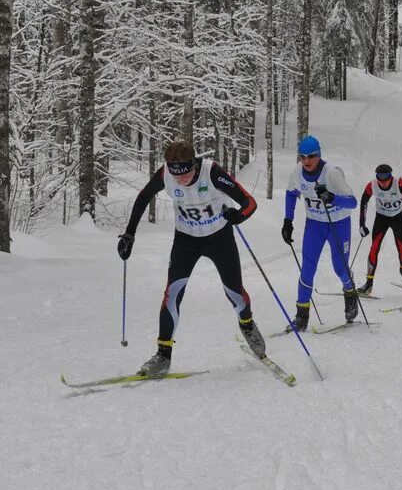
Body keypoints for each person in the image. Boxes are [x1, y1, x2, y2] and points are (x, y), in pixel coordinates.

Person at [117, 139, 265, 377]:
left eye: (185, 174)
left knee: (234, 292)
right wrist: (129, 234)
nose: (182, 180)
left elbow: (250, 202)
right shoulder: (166, 173)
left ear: (193, 165)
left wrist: (237, 217)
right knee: (172, 293)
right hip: (186, 240)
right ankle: (162, 355)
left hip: (219, 238)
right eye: (177, 176)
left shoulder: (211, 172)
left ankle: (247, 324)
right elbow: (144, 197)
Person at [281, 136, 358, 331]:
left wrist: (332, 197)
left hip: (338, 224)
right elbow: (291, 194)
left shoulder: (331, 173)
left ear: (319, 155)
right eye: (302, 157)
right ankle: (301, 317)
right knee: (307, 269)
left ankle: (350, 292)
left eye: (311, 157)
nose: (306, 161)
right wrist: (287, 221)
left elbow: (352, 202)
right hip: (315, 224)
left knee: (340, 268)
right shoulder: (298, 172)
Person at [357, 164, 402, 294]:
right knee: (374, 248)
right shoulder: (372, 185)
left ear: (391, 176)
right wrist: (361, 225)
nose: (383, 182)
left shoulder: (400, 184)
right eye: (380, 178)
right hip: (381, 218)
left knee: (401, 247)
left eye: (386, 178)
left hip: (398, 218)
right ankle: (369, 283)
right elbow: (363, 202)